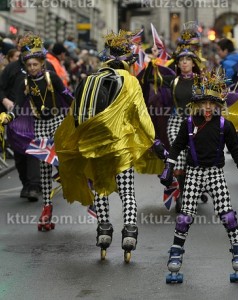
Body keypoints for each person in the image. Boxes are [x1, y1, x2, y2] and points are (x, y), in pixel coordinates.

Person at [54, 30, 165, 262]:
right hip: (121, 148)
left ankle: (104, 231)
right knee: (127, 193)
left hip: (95, 148)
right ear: (127, 60)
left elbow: (75, 115)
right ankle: (130, 232)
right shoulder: (130, 81)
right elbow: (142, 116)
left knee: (101, 190)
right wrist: (153, 140)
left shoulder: (89, 80)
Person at [160, 70, 238, 283]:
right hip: (193, 172)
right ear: (196, 104)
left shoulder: (224, 125)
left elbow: (237, 152)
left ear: (218, 105)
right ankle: (176, 255)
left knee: (227, 214)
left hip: (215, 172)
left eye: (212, 103)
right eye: (203, 103)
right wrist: (169, 166)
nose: (207, 108)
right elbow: (176, 146)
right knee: (185, 216)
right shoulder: (188, 124)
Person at [0, 33, 74, 229]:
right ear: (26, 66)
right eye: (29, 65)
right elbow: (18, 105)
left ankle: (72, 183)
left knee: (62, 160)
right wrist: (9, 117)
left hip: (57, 121)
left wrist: (79, 112)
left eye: (35, 64)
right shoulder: (26, 83)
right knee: (44, 168)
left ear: (42, 64)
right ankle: (47, 209)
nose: (32, 68)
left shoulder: (52, 77)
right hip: (40, 125)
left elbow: (67, 96)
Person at [140, 26, 206, 212]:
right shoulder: (174, 81)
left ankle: (196, 188)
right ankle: (182, 195)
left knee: (195, 159)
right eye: (181, 61)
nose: (184, 63)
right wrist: (152, 61)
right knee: (178, 158)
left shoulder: (201, 82)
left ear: (194, 63)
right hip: (176, 123)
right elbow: (150, 80)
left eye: (188, 60)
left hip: (196, 122)